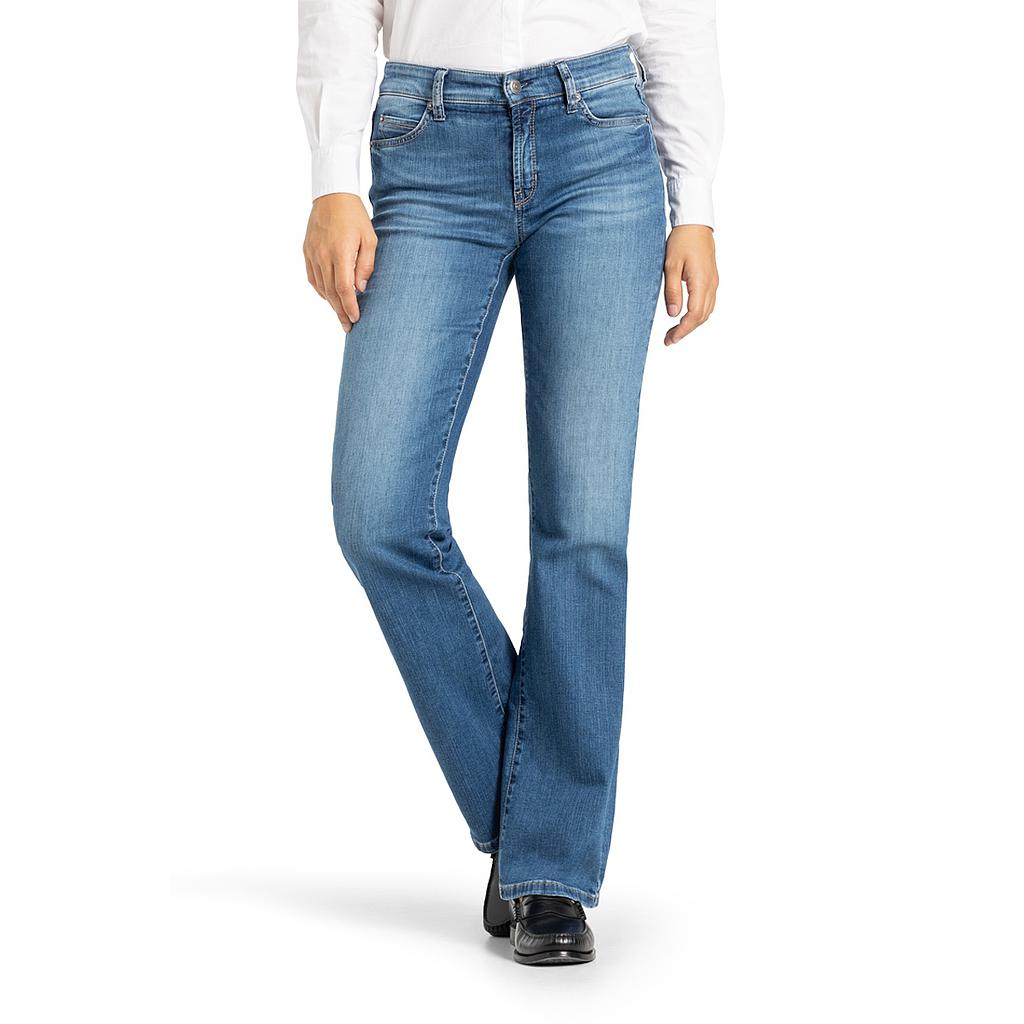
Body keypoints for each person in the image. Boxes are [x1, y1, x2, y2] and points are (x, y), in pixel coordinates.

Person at [296, 0, 723, 966]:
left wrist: (694, 199)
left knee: (585, 526)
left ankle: (550, 874)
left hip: (602, 140)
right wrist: (332, 178)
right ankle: (546, 832)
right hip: (428, 145)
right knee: (377, 510)